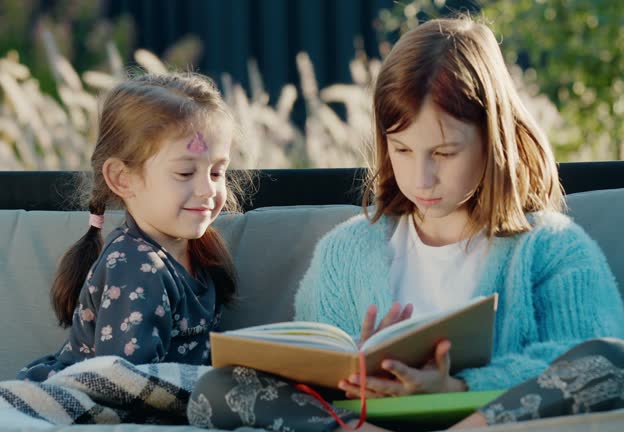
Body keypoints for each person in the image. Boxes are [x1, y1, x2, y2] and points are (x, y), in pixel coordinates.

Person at [187, 17, 624, 431]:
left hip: (487, 419)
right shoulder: (346, 251)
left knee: (614, 360)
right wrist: (355, 372)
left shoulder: (551, 245)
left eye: (445, 153)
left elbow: (585, 356)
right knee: (216, 389)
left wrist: (458, 385)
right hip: (368, 421)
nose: (422, 178)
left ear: (494, 139)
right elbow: (310, 370)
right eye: (402, 150)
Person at [18, 72, 244, 381]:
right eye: (184, 173)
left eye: (217, 172)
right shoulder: (136, 267)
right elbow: (127, 386)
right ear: (123, 179)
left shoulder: (199, 251)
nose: (208, 189)